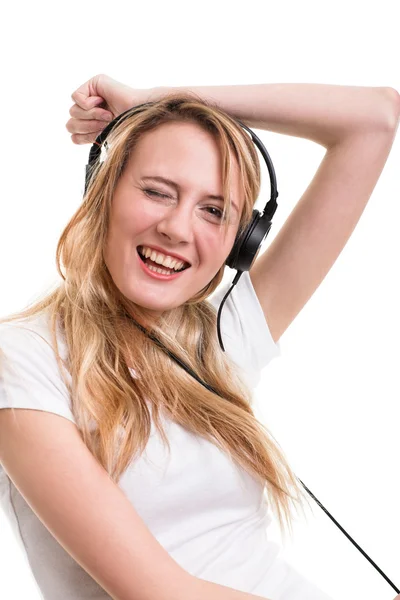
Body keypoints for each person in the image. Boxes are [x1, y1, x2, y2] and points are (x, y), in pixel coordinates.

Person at [0, 74, 398, 600]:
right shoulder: (24, 358)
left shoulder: (223, 334)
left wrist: (152, 100)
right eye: (157, 191)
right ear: (104, 192)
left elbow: (374, 120)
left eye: (214, 211)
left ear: (240, 241)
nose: (178, 229)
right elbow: (158, 592)